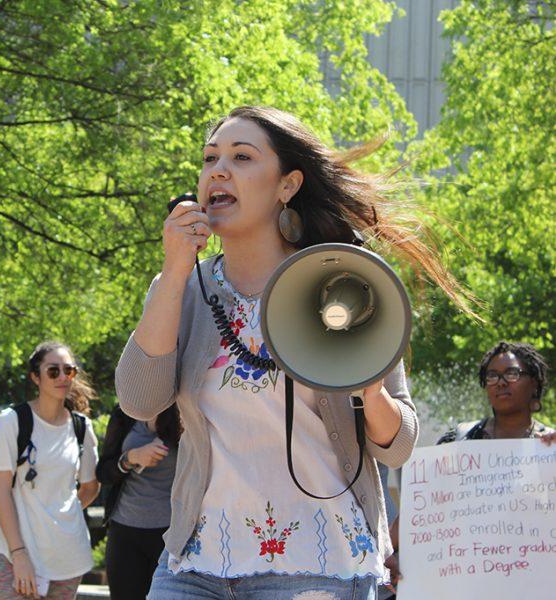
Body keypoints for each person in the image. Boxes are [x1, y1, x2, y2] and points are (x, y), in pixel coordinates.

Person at [115, 106, 475, 598]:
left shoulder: (340, 281)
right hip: (195, 564)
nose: (218, 170)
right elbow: (138, 399)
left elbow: (400, 443)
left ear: (287, 186)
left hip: (319, 563)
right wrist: (175, 272)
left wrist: (369, 388)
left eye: (242, 157)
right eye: (209, 158)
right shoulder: (181, 287)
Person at [385, 341, 555, 590]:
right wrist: (391, 554)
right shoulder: (460, 441)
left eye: (512, 373)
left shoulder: (549, 449)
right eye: (492, 375)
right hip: (466, 584)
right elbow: (422, 511)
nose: (500, 382)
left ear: (535, 383)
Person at [0, 341, 100, 599]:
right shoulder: (13, 421)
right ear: (35, 377)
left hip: (68, 556)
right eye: (53, 371)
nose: (62, 377)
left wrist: (57, 515)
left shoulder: (82, 427)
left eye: (69, 370)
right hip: (18, 552)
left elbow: (90, 487)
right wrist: (18, 553)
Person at [97, 403, 181, 600]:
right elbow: (103, 472)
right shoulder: (123, 413)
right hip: (125, 530)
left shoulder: (184, 412)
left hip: (170, 534)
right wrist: (131, 458)